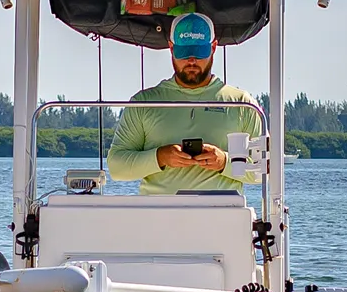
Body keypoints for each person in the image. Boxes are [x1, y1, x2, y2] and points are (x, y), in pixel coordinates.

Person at [104, 12, 261, 193]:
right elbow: (116, 167)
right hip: (157, 217)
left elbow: (268, 169)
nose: (192, 61)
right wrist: (160, 157)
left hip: (222, 216)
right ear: (171, 48)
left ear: (213, 47)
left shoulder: (242, 103)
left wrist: (224, 162)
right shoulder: (143, 102)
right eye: (184, 53)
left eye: (199, 53)